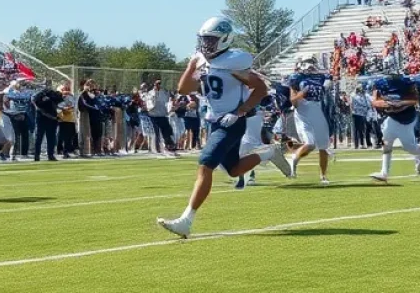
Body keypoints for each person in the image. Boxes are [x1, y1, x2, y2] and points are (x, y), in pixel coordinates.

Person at [157, 17, 291, 238]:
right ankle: (268, 152)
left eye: (211, 40)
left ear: (225, 40)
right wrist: (192, 66)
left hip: (231, 122)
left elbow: (261, 90)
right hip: (213, 121)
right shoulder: (206, 62)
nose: (206, 44)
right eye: (204, 39)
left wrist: (240, 111)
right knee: (233, 169)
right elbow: (183, 88)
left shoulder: (234, 62)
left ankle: (186, 221)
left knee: (205, 164)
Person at [368, 67, 420, 183]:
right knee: (386, 144)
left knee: (411, 148)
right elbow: (375, 101)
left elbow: (414, 99)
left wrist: (400, 103)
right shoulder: (380, 84)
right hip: (391, 117)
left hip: (406, 118)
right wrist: (387, 104)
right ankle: (384, 173)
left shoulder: (406, 83)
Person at [286, 54, 333, 185]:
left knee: (323, 146)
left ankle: (323, 176)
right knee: (310, 143)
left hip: (317, 110)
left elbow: (326, 86)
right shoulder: (296, 78)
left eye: (312, 62)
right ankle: (293, 159)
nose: (311, 65)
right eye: (308, 62)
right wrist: (301, 94)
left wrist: (327, 84)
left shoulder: (321, 77)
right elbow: (293, 102)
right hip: (303, 112)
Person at [143, 79, 176, 155]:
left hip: (163, 115)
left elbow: (170, 100)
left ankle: (169, 147)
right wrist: (155, 94)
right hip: (153, 116)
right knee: (156, 133)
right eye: (157, 84)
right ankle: (156, 149)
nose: (158, 85)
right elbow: (149, 104)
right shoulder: (150, 93)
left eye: (159, 84)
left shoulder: (164, 92)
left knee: (167, 132)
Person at [32, 80, 63, 161]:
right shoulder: (39, 94)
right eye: (45, 84)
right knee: (39, 137)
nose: (47, 86)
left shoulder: (54, 93)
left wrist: (49, 98)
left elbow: (59, 99)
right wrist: (43, 99)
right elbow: (37, 103)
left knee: (51, 138)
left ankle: (51, 155)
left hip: (52, 118)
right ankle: (37, 155)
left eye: (48, 84)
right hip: (41, 118)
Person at [56, 82, 79, 157]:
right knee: (63, 136)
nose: (67, 90)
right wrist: (66, 108)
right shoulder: (60, 96)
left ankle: (67, 150)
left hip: (71, 119)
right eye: (66, 88)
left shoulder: (71, 96)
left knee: (70, 136)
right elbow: (59, 106)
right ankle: (61, 150)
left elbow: (73, 106)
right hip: (63, 119)